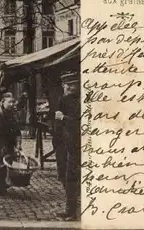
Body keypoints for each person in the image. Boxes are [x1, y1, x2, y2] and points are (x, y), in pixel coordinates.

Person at [55, 72, 81, 221]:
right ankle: (69, 209)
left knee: (72, 176)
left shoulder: (80, 102)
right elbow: (57, 124)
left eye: (74, 84)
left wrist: (63, 117)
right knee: (63, 176)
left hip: (75, 144)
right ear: (63, 85)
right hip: (62, 145)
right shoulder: (62, 100)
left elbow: (80, 123)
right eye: (68, 84)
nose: (71, 87)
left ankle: (73, 212)